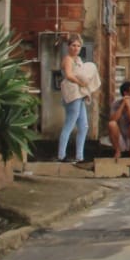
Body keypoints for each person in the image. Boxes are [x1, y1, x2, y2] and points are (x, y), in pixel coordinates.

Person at [56, 35, 94, 164]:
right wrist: (81, 82)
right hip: (72, 92)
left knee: (83, 126)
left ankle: (80, 156)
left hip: (79, 93)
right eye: (73, 45)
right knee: (70, 123)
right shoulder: (68, 59)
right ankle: (61, 155)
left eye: (78, 46)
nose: (76, 48)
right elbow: (69, 75)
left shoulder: (78, 59)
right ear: (68, 46)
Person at [108, 81, 130, 161]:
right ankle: (118, 151)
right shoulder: (115, 104)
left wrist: (129, 105)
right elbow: (113, 119)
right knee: (111, 124)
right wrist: (123, 105)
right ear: (126, 93)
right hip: (120, 137)